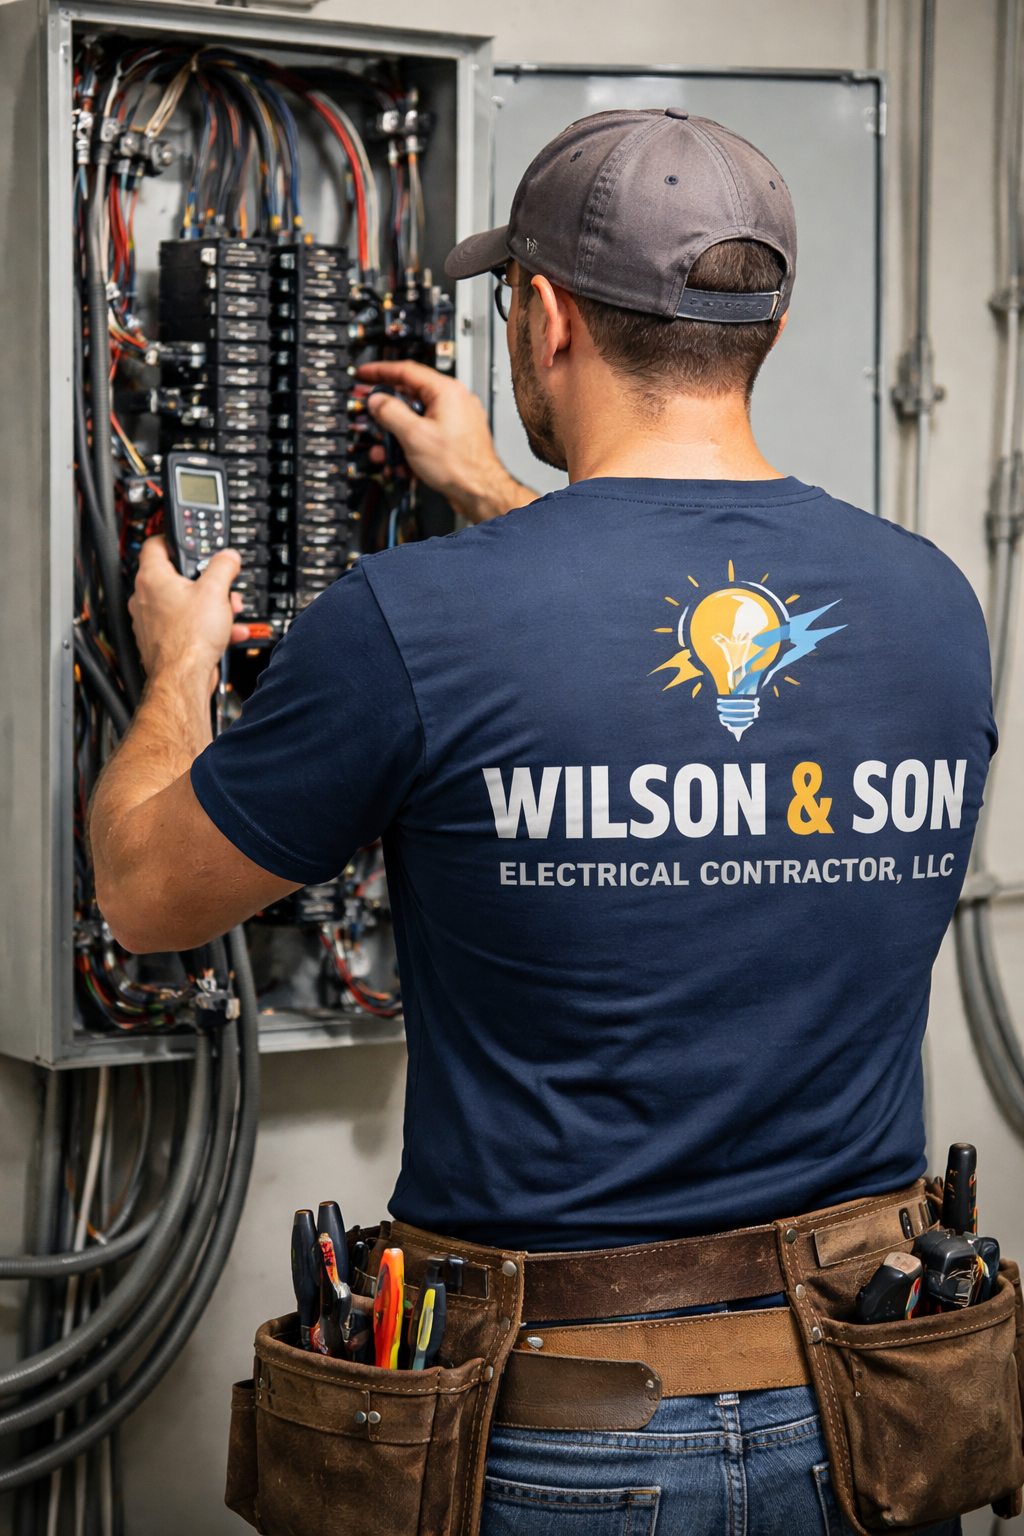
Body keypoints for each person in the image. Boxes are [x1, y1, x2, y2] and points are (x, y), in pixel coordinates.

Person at [90, 110, 994, 1534]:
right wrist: (508, 503)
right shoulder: (935, 605)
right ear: (761, 321)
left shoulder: (410, 625)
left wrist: (182, 668)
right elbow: (669, 693)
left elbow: (143, 894)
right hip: (876, 1407)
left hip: (573, 1441)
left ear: (547, 316)